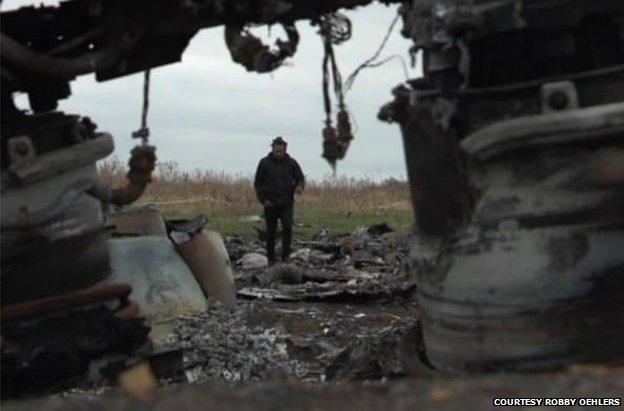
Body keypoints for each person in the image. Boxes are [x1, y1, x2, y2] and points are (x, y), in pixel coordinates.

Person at [254, 137, 305, 265]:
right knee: (271, 231)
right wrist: (263, 200)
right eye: (276, 150)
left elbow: (300, 178)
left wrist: (299, 186)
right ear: (273, 149)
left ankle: (285, 256)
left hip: (286, 203)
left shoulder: (291, 163)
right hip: (270, 203)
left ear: (285, 150)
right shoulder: (264, 163)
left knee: (287, 228)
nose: (278, 153)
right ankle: (271, 259)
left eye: (281, 151)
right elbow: (258, 183)